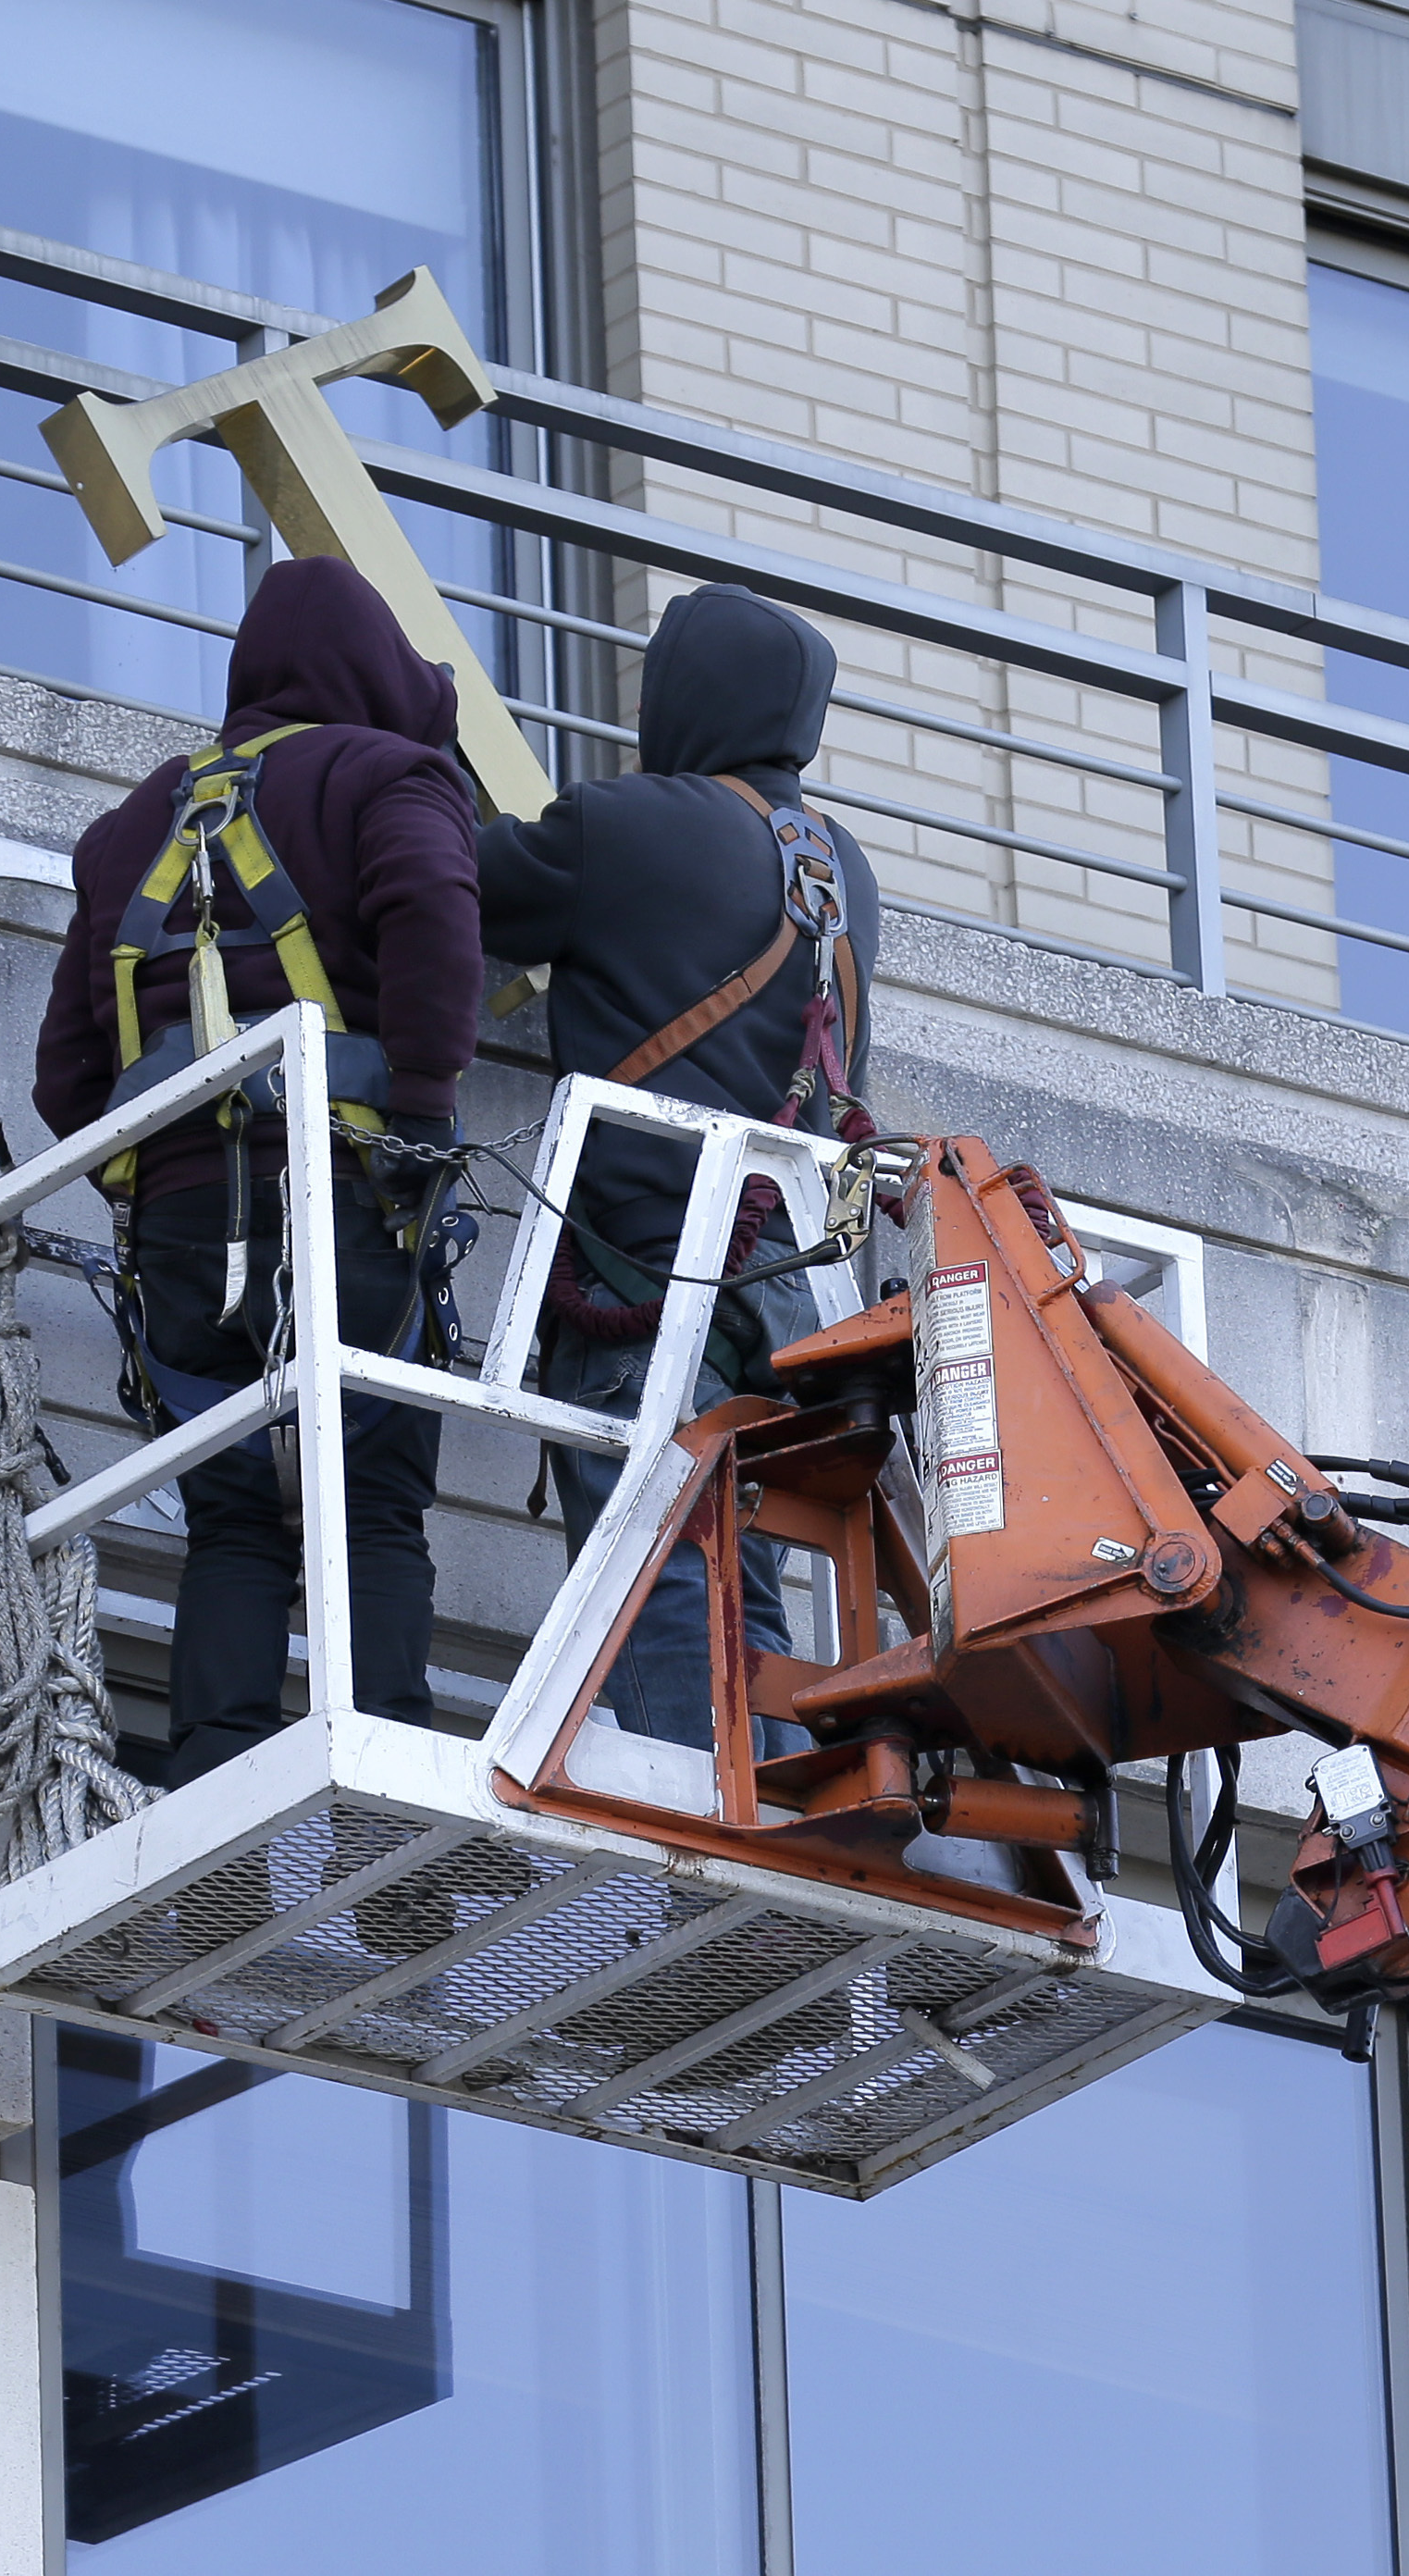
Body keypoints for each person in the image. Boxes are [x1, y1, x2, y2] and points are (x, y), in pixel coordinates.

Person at [34, 556, 483, 1783]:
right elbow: (437, 937)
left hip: (177, 1238)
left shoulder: (134, 827)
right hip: (345, 1199)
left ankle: (208, 1773)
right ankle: (393, 1813)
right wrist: (423, 1131)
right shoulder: (387, 776)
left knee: (232, 1519)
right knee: (372, 1501)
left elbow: (67, 1083)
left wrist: (151, 1183)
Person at [478, 583, 881, 1749]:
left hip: (657, 1275)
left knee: (651, 1569)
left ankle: (699, 1846)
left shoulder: (635, 825)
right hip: (798, 1285)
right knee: (745, 1582)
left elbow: (465, 877)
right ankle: (771, 1801)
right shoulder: (844, 875)